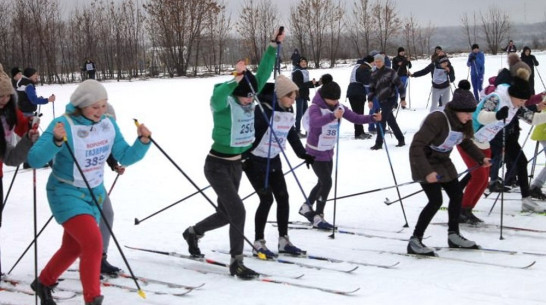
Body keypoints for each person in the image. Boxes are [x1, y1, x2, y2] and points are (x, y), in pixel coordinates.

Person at [27, 79, 151, 305]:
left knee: (73, 247)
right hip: (65, 192)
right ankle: (92, 299)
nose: (100, 111)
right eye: (95, 107)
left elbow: (125, 155)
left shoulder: (108, 124)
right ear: (80, 106)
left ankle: (43, 282)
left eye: (104, 105)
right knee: (93, 243)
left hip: (95, 194)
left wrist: (142, 141)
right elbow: (35, 159)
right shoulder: (63, 124)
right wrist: (55, 140)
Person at [182, 29, 284, 280]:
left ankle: (193, 232)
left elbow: (262, 73)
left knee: (226, 214)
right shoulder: (224, 101)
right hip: (216, 165)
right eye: (244, 98)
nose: (248, 102)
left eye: (251, 98)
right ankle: (236, 262)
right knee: (238, 212)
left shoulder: (250, 91)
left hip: (236, 164)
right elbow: (216, 94)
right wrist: (235, 78)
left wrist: (273, 45)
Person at [408, 81, 490, 256]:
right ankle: (415, 240)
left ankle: (454, 235)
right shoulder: (438, 119)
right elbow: (416, 146)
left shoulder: (463, 123)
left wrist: (481, 158)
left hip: (443, 161)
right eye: (467, 112)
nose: (470, 116)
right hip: (424, 161)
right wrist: (427, 172)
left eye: (471, 112)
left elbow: (466, 142)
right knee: (435, 200)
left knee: (456, 195)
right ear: (456, 110)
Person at [243, 76, 314, 258]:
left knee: (283, 197)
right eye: (290, 96)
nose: (293, 100)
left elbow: (290, 133)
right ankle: (258, 242)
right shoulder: (262, 111)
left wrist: (302, 153)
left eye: (295, 97)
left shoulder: (287, 110)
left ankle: (284, 241)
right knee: (266, 199)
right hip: (254, 161)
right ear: (281, 95)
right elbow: (246, 133)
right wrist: (243, 155)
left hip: (273, 158)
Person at [299, 74, 380, 229]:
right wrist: (332, 116)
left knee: (322, 181)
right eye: (332, 100)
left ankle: (306, 207)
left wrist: (372, 118)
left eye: (337, 100)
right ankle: (319, 216)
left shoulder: (338, 107)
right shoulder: (315, 108)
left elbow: (355, 117)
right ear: (324, 97)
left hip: (328, 150)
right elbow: (315, 123)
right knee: (327, 182)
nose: (335, 103)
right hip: (314, 152)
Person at [473, 68, 546, 212]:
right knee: (478, 169)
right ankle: (458, 195)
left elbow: (532, 118)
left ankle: (526, 200)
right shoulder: (496, 97)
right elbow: (481, 116)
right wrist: (498, 115)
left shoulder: (516, 102)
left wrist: (538, 108)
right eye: (521, 100)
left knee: (521, 162)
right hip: (482, 137)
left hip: (505, 136)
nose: (522, 103)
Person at [0, 64, 39, 276]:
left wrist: (31, 127)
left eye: (6, 95)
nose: (3, 100)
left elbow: (22, 126)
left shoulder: (9, 111)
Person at [368, 53, 406, 150]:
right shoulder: (373, 74)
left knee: (381, 120)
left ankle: (378, 143)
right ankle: (401, 139)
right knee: (391, 121)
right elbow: (371, 88)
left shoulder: (390, 72)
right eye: (376, 62)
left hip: (391, 99)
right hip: (381, 100)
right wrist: (370, 100)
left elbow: (400, 85)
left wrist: (402, 99)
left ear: (383, 62)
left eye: (379, 61)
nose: (377, 63)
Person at [346, 55, 373, 139]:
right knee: (358, 114)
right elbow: (367, 82)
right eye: (373, 62)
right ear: (370, 62)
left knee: (358, 113)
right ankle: (358, 133)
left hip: (353, 92)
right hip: (357, 93)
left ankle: (360, 132)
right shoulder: (364, 68)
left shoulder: (358, 66)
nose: (374, 64)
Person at [292, 56, 317, 138]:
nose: (304, 63)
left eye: (305, 62)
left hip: (305, 95)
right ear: (299, 63)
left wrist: (317, 83)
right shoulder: (297, 72)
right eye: (302, 62)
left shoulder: (305, 71)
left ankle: (308, 130)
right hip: (299, 95)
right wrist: (310, 83)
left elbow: (307, 85)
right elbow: (299, 85)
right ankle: (297, 131)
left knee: (306, 115)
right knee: (299, 114)